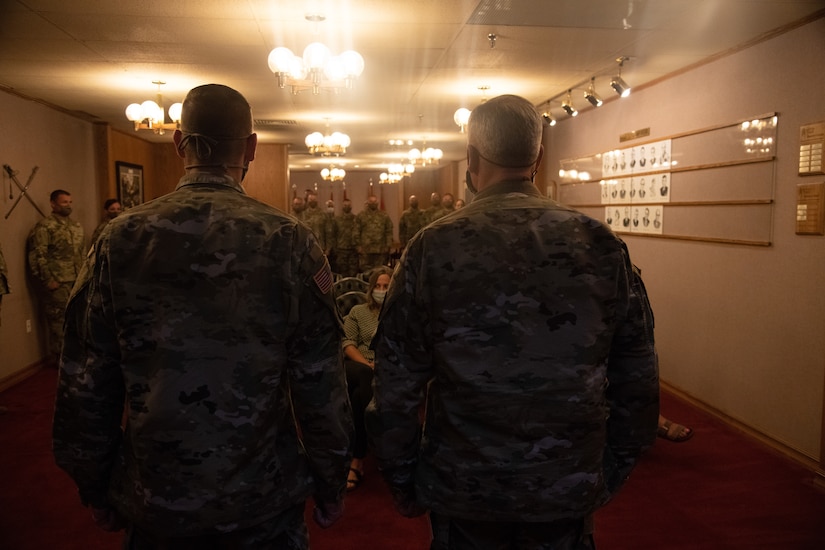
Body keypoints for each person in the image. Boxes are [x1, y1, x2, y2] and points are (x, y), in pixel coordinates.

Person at [52, 84, 353, 548]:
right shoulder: (290, 241)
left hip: (157, 499)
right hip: (261, 500)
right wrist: (331, 480)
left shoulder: (118, 240)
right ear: (251, 148)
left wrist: (94, 485)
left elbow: (85, 382)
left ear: (178, 143)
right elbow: (320, 382)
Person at [366, 94, 659, 549]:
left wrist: (405, 482)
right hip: (564, 483)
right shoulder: (600, 244)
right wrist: (605, 473)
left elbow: (395, 385)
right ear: (538, 158)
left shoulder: (433, 247)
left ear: (472, 159)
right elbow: (637, 378)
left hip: (465, 487)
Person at [342, 266, 393, 492]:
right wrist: (368, 364)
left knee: (357, 397)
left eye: (386, 286)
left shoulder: (399, 313)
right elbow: (347, 344)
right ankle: (379, 446)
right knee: (364, 375)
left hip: (386, 369)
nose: (381, 290)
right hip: (357, 365)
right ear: (371, 288)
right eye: (378, 286)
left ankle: (357, 458)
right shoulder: (358, 312)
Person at [26, 189, 85, 365]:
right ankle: (61, 360)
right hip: (57, 282)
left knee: (78, 319)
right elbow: (38, 255)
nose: (68, 205)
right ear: (53, 204)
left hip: (76, 280)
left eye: (70, 202)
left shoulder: (76, 226)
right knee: (59, 322)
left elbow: (81, 254)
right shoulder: (45, 227)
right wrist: (48, 280)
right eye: (64, 202)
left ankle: (78, 356)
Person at [355, 195, 393, 271]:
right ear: (367, 203)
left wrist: (388, 245)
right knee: (365, 272)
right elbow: (356, 231)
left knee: (380, 271)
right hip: (365, 250)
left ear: (377, 203)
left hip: (380, 250)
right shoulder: (361, 215)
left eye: (375, 202)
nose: (373, 203)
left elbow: (389, 231)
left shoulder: (384, 215)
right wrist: (358, 246)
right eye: (371, 202)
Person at [333, 198, 359, 276]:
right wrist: (335, 249)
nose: (347, 207)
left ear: (351, 206)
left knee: (353, 272)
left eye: (348, 205)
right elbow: (333, 234)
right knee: (342, 272)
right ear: (342, 206)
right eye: (345, 205)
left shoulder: (356, 219)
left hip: (353, 250)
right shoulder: (336, 219)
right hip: (341, 250)